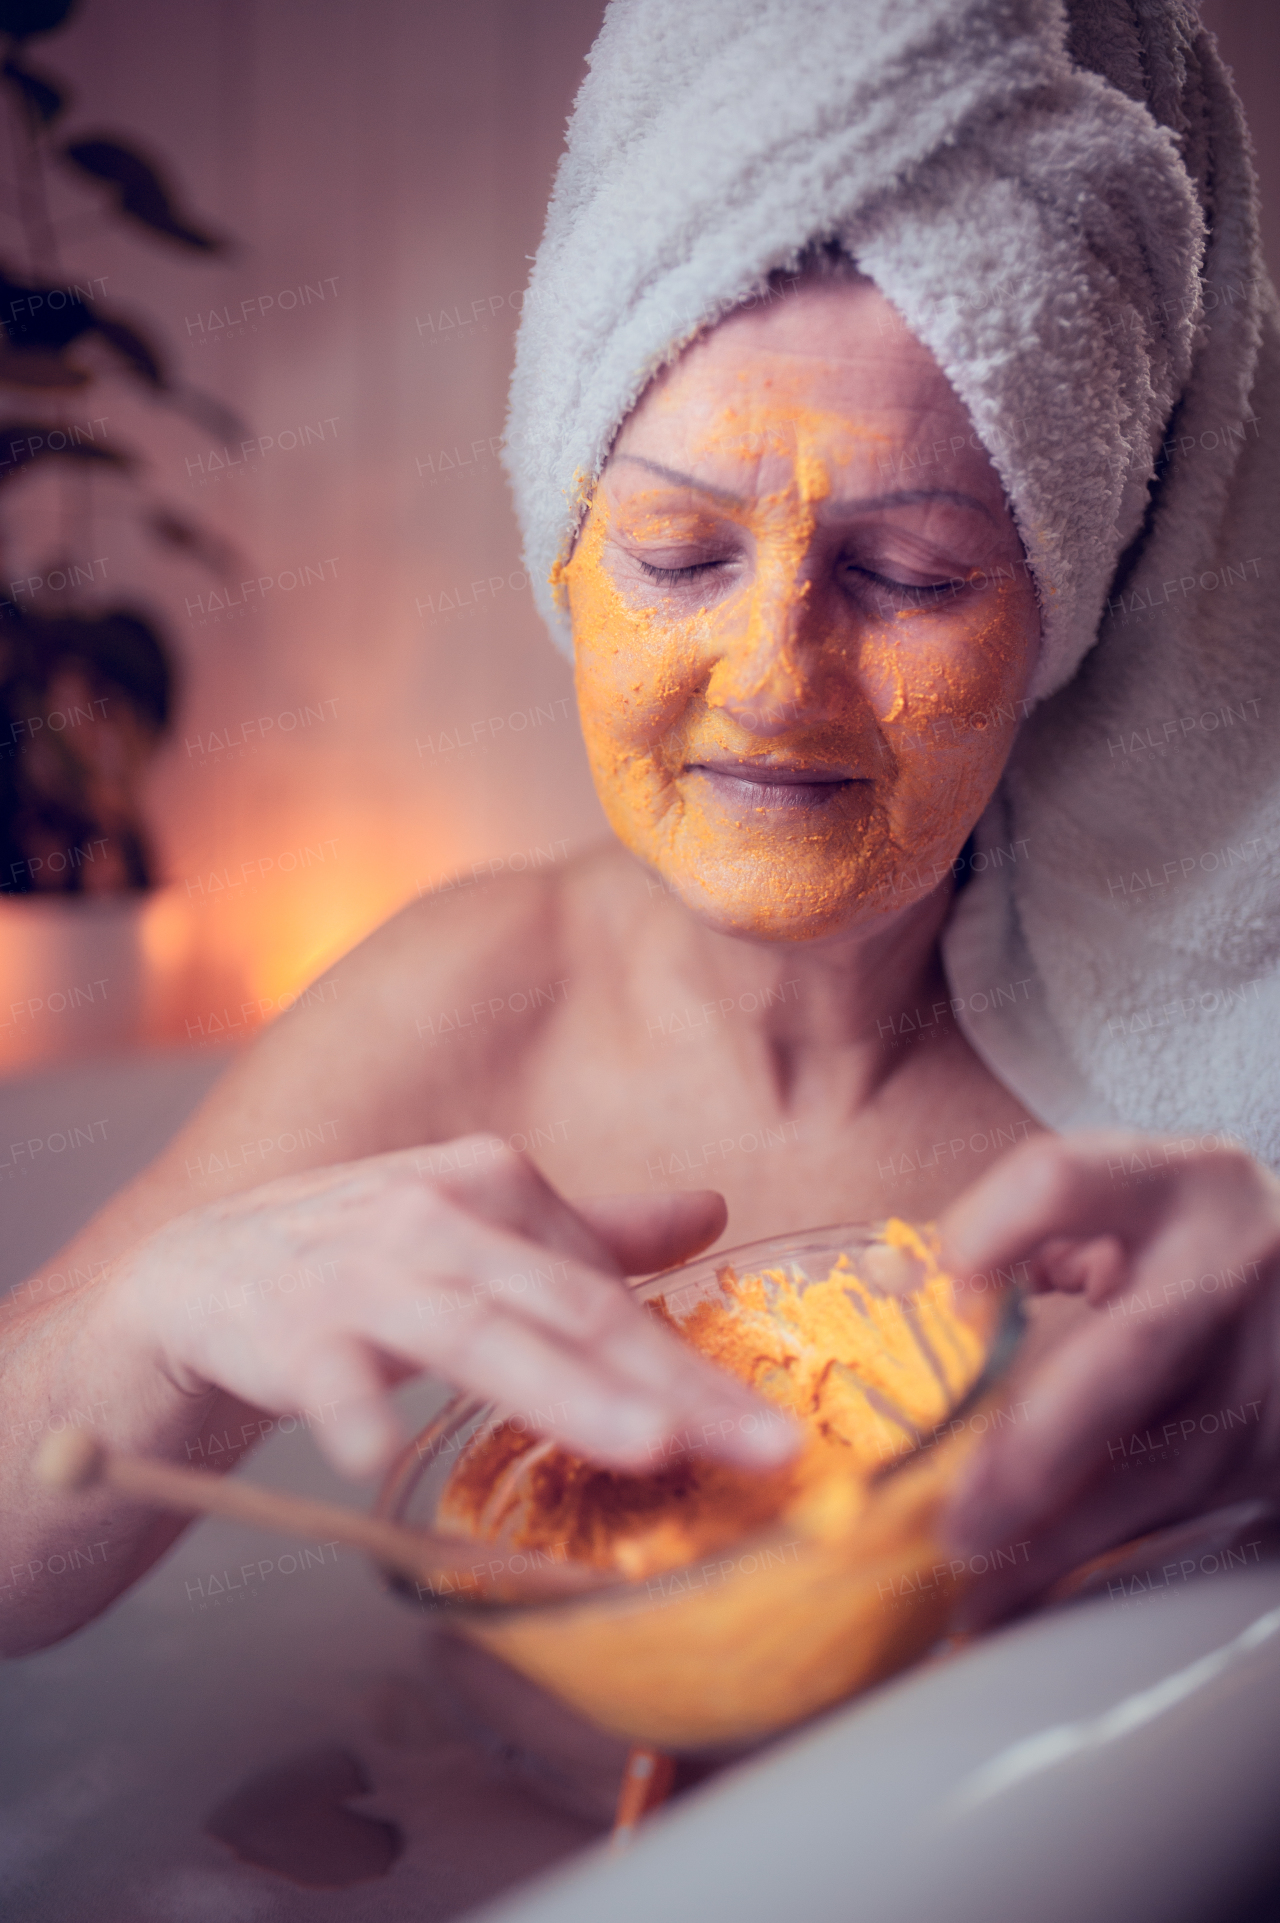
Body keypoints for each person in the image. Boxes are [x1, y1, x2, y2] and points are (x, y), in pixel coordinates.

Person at [3, 0, 1278, 1657]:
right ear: (566, 563)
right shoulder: (465, 1001)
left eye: (908, 577)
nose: (772, 685)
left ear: (1070, 620)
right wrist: (150, 1339)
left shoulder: (1201, 1107)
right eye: (679, 554)